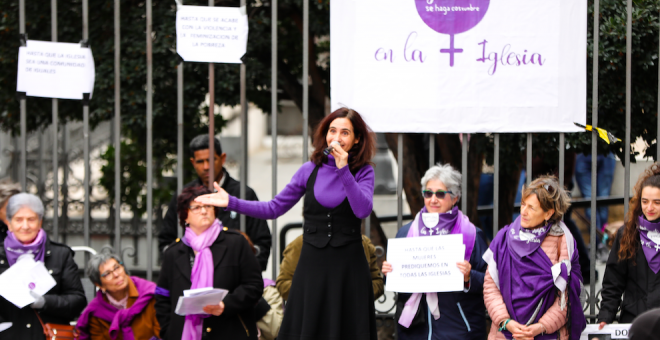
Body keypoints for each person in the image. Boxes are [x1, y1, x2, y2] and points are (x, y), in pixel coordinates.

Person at [195, 108, 378, 340]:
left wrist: (343, 169)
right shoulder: (309, 170)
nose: (337, 138)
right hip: (313, 268)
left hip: (349, 269)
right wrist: (230, 202)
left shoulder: (363, 172)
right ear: (325, 134)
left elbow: (362, 209)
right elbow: (274, 208)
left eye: (345, 133)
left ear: (356, 139)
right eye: (333, 131)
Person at [380, 163, 489, 340]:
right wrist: (389, 273)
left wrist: (469, 277)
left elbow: (490, 282)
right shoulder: (406, 233)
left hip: (459, 329)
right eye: (428, 193)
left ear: (454, 198)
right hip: (416, 330)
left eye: (440, 194)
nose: (433, 199)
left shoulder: (472, 235)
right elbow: (398, 284)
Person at [483, 176, 585, 340]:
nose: (523, 211)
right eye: (523, 204)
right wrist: (506, 321)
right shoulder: (504, 237)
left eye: (531, 208)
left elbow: (566, 298)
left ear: (548, 213)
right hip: (505, 334)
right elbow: (490, 286)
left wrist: (541, 327)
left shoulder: (563, 242)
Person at [155, 185, 263, 340]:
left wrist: (226, 305)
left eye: (208, 206)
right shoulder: (173, 252)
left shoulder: (235, 243)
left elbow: (254, 285)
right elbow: (162, 297)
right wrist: (169, 330)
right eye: (196, 207)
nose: (204, 211)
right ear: (185, 215)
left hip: (229, 331)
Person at [158, 134, 271, 270]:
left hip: (235, 281)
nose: (206, 167)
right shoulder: (183, 196)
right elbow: (166, 242)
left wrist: (241, 271)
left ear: (222, 159)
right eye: (200, 162)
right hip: (191, 279)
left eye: (211, 160)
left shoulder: (243, 194)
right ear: (193, 162)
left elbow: (262, 244)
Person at [0, 193, 86, 339]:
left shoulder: (61, 254)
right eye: (18, 220)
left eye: (31, 219)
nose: (25, 226)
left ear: (40, 222)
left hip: (47, 335)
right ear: (9, 223)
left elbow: (78, 301)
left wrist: (45, 302)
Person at [598, 163, 660, 327]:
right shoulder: (626, 234)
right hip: (634, 323)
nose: (649, 208)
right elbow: (613, 282)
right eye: (645, 201)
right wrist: (605, 317)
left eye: (657, 202)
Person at [276, 233, 384, 301]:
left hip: (352, 321)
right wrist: (318, 294)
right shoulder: (299, 244)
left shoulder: (363, 243)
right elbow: (283, 284)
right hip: (312, 321)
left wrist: (352, 295)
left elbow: (377, 283)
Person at [76, 253, 160, 340]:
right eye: (107, 274)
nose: (116, 275)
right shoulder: (95, 312)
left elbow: (162, 333)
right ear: (99, 285)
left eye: (117, 268)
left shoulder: (149, 293)